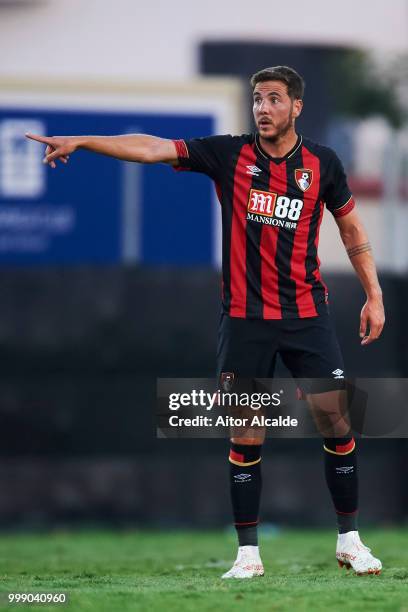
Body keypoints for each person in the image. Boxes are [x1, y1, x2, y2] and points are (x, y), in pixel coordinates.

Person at [26, 65, 385, 579]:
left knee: (339, 425)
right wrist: (83, 140)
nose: (263, 108)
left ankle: (350, 541)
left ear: (296, 107)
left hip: (308, 316)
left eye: (274, 99)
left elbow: (350, 226)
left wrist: (373, 294)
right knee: (246, 435)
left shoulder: (322, 164)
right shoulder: (229, 154)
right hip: (244, 321)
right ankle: (248, 556)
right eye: (258, 99)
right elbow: (152, 148)